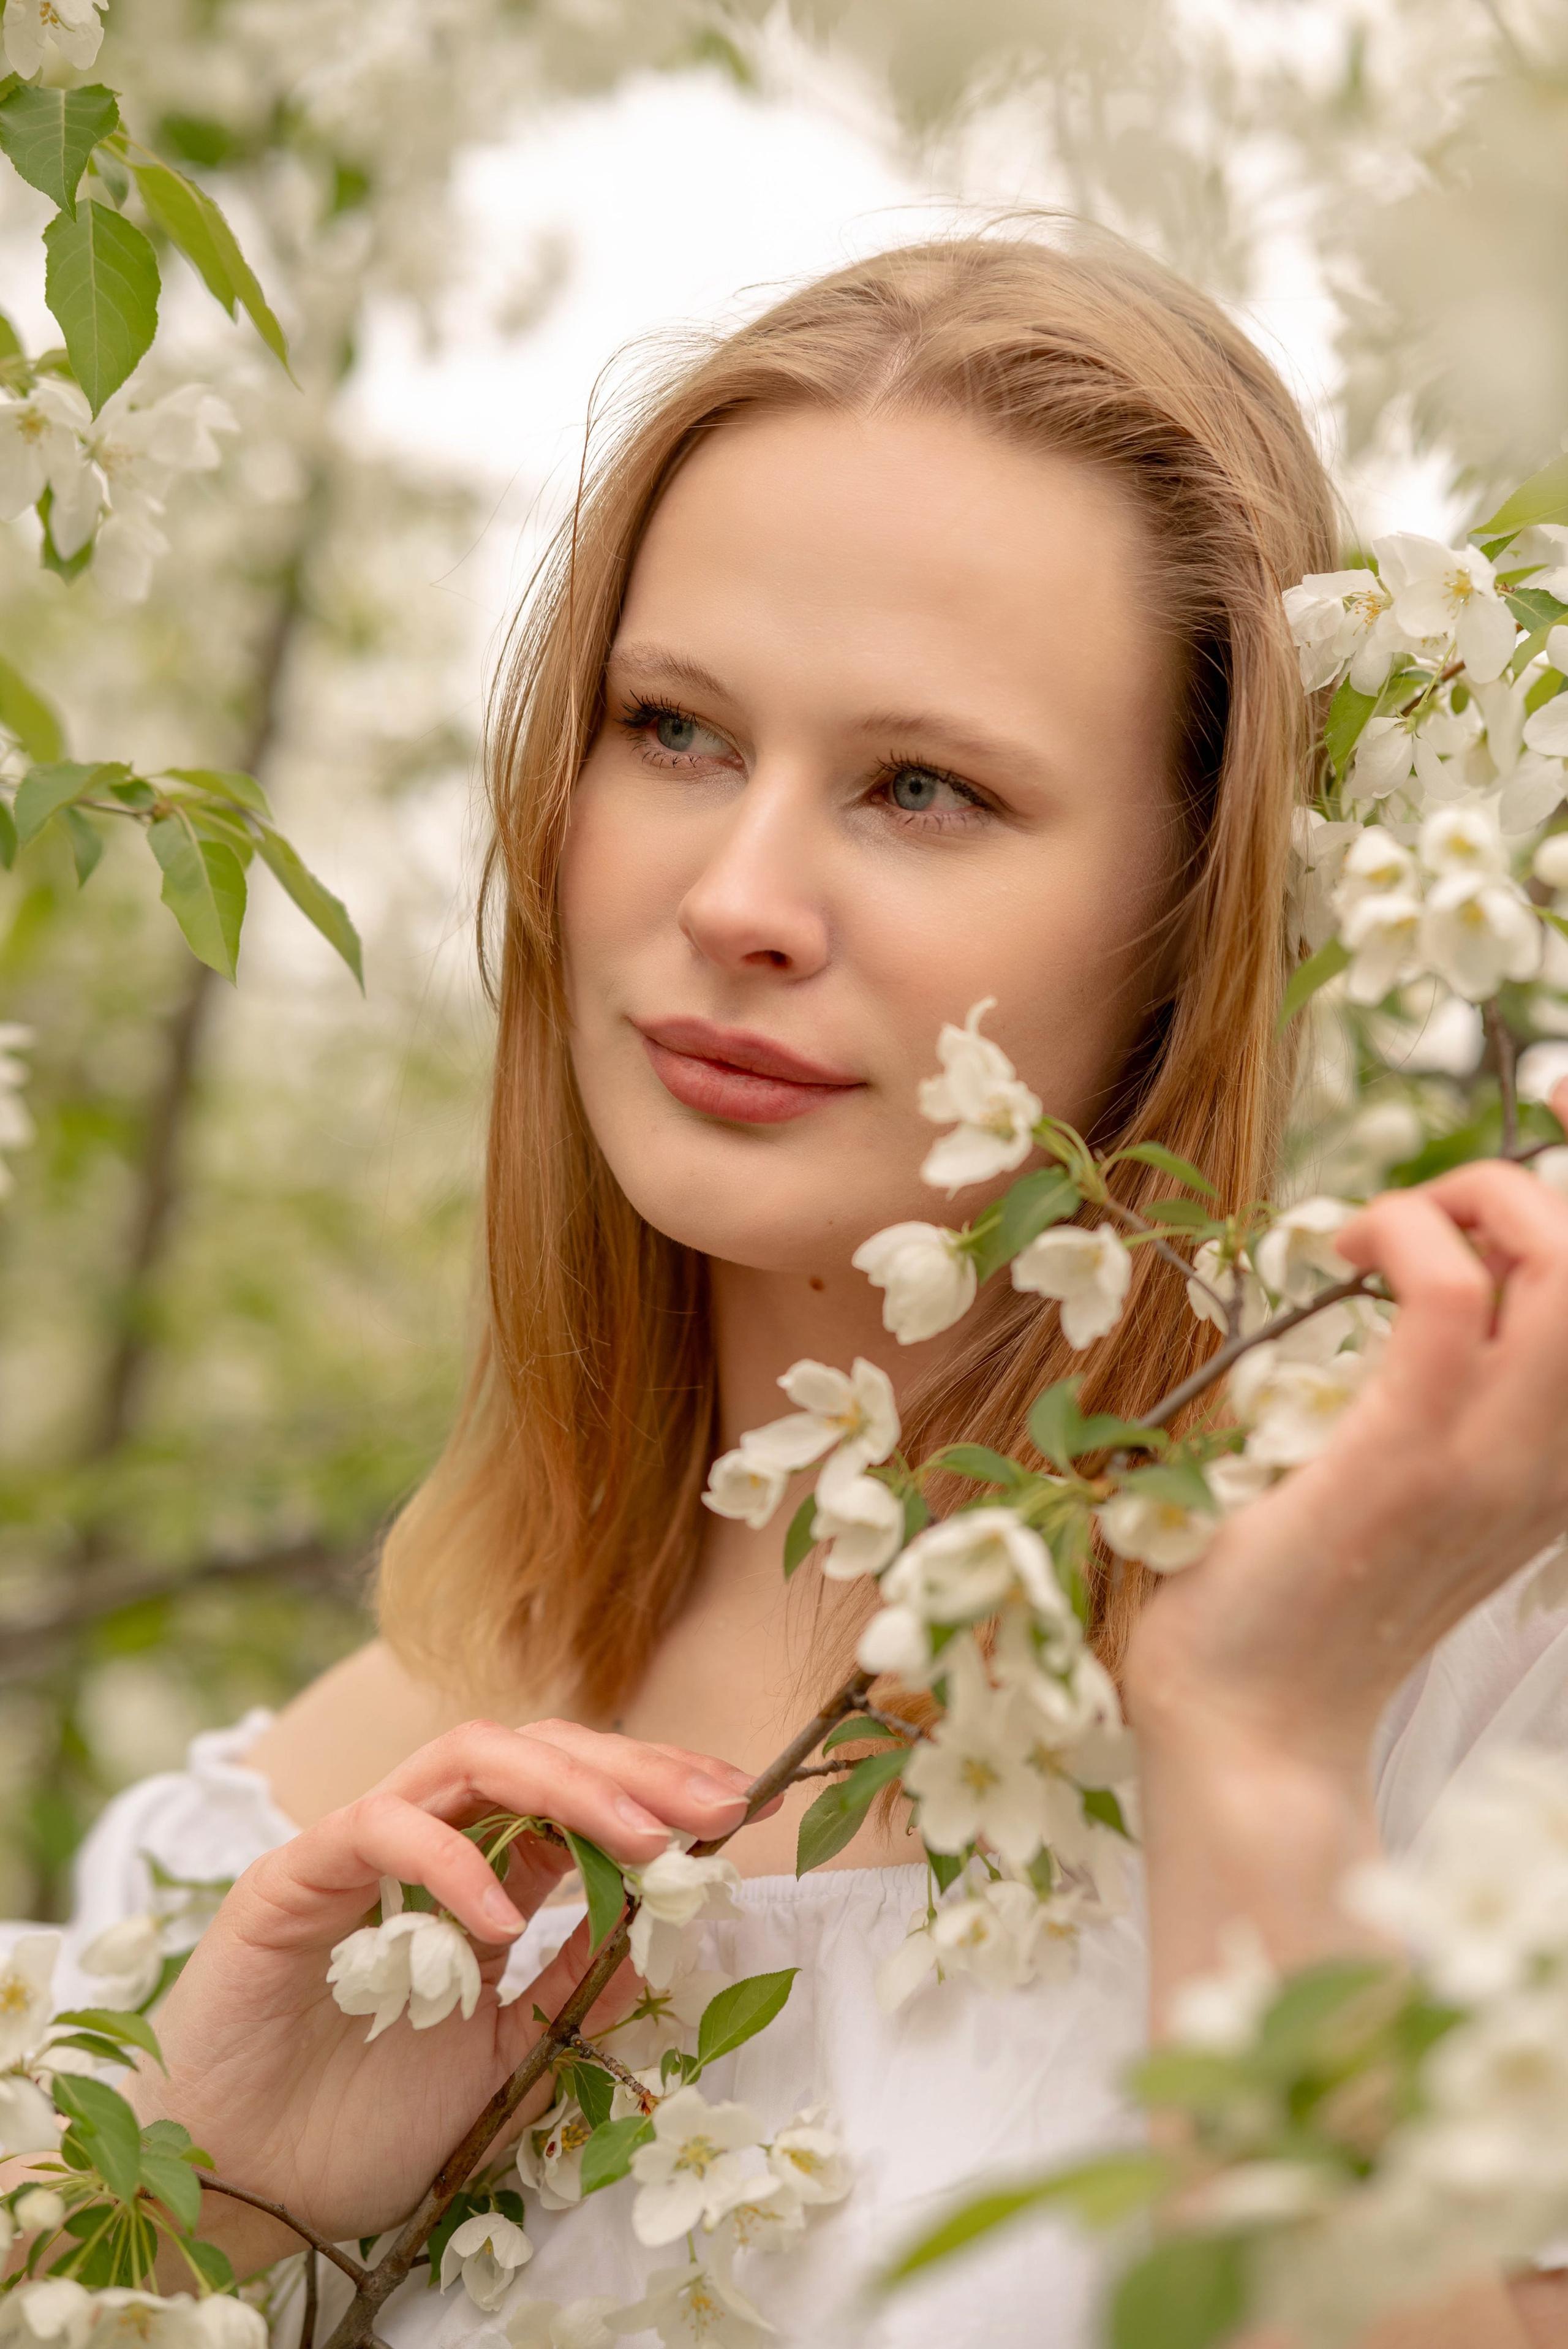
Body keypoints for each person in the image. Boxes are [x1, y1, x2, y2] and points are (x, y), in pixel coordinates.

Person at [33, 231, 1568, 2348]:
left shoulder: (1475, 1711)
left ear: (1197, 903)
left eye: (922, 786)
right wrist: (218, 2220)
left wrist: (1268, 1772)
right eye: (670, 730)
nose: (738, 897)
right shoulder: (342, 1813)